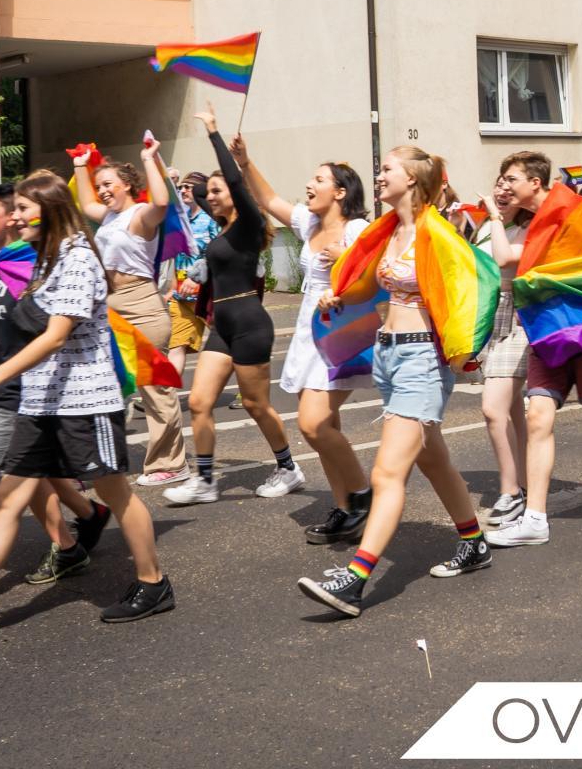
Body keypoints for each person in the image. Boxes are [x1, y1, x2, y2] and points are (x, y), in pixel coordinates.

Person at [0, 173, 173, 641]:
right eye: (16, 209)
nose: (16, 216)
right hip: (40, 402)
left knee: (116, 494)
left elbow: (56, 335)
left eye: (23, 208)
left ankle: (153, 583)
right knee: (9, 501)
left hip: (86, 402)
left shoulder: (79, 258)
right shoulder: (46, 262)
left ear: (50, 209)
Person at [297, 147, 501, 617]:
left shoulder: (438, 235)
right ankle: (474, 543)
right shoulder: (388, 231)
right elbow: (370, 284)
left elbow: (476, 286)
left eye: (387, 168)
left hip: (419, 360)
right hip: (389, 356)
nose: (379, 174)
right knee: (434, 460)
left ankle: (354, 579)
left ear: (411, 179)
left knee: (388, 473)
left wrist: (462, 351)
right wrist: (338, 294)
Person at [487, 152, 582, 549]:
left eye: (511, 179)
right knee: (538, 416)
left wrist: (532, 277)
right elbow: (516, 263)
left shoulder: (576, 210)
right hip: (547, 332)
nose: (504, 185)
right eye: (502, 180)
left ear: (535, 183)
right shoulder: (533, 222)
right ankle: (535, 519)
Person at [233, 143, 376, 543]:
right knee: (326, 424)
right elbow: (269, 198)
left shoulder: (357, 230)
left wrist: (344, 258)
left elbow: (376, 277)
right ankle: (345, 509)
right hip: (308, 332)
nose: (309, 185)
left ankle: (362, 493)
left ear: (341, 192)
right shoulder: (309, 224)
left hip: (342, 332)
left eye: (318, 179)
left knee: (313, 424)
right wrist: (245, 162)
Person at [164, 105, 300, 505]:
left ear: (235, 196)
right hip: (221, 327)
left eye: (217, 192)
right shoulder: (224, 228)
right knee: (201, 403)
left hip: (249, 326)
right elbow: (197, 192)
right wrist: (156, 162)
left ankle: (289, 468)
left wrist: (213, 133)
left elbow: (239, 186)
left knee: (257, 405)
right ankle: (205, 482)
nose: (209, 197)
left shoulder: (247, 228)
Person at [71, 145, 187, 486]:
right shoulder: (108, 217)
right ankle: (94, 461)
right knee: (97, 387)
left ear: (127, 184)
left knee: (154, 389)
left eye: (109, 184)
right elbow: (86, 203)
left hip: (141, 305)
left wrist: (150, 159)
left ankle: (171, 463)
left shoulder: (140, 215)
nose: (103, 190)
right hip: (109, 306)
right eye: (100, 185)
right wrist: (80, 167)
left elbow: (163, 203)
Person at [476, 176, 533, 530]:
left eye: (510, 186)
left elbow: (502, 258)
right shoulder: (487, 224)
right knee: (511, 411)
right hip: (492, 315)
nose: (501, 192)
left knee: (492, 407)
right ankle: (525, 484)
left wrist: (495, 219)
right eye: (498, 184)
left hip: (521, 314)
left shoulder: (531, 228)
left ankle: (511, 491)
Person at [161, 171, 218, 435]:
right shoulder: (182, 221)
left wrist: (199, 279)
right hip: (182, 296)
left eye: (189, 187)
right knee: (177, 345)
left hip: (211, 295)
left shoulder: (210, 221)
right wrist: (173, 288)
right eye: (181, 186)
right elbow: (177, 257)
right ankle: (167, 396)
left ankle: (246, 389)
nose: (183, 190)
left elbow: (219, 254)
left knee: (227, 347)